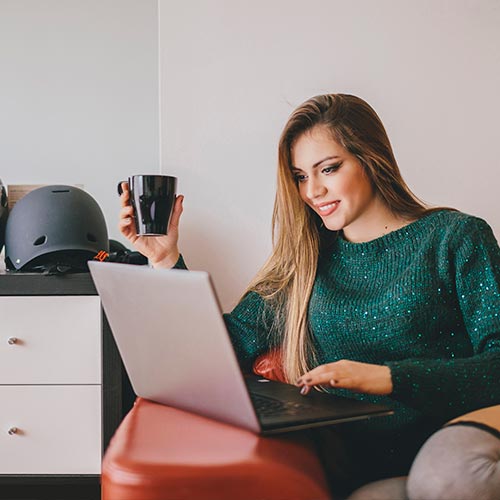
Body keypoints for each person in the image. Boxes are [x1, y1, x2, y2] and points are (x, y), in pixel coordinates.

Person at [119, 94, 500, 499]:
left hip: (457, 435)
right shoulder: (306, 262)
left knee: (446, 479)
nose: (313, 191)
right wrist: (165, 260)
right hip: (366, 464)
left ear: (372, 159)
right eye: (301, 176)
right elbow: (216, 349)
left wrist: (387, 377)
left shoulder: (455, 237)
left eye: (329, 169)